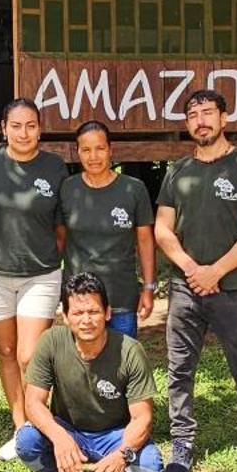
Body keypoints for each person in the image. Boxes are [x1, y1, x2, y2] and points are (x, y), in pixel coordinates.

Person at [153, 89, 237, 472]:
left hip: (234, 290)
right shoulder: (177, 172)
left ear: (225, 118)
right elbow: (162, 229)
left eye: (209, 112)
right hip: (186, 290)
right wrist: (192, 269)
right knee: (179, 369)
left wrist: (216, 272)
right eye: (193, 114)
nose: (201, 120)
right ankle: (182, 443)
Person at [15, 273, 164, 472]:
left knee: (151, 471)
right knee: (26, 441)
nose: (86, 321)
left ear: (107, 313)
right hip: (68, 428)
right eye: (77, 313)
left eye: (94, 312)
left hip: (114, 434)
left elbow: (143, 419)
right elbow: (33, 401)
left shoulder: (129, 350)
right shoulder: (51, 342)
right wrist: (59, 437)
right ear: (65, 316)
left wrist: (121, 456)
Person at [0, 97, 69, 463]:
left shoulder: (55, 167)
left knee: (31, 356)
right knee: (7, 352)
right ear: (3, 129)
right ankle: (22, 427)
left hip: (40, 274)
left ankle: (43, 422)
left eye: (31, 125)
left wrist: (50, 257)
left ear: (39, 129)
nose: (24, 132)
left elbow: (62, 227)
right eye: (16, 125)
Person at [60, 120, 156, 339]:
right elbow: (60, 238)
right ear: (78, 152)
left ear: (111, 150)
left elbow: (145, 241)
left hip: (121, 296)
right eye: (86, 150)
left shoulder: (133, 189)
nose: (93, 156)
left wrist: (149, 288)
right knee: (82, 368)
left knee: (122, 366)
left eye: (100, 148)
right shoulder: (67, 188)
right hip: (80, 301)